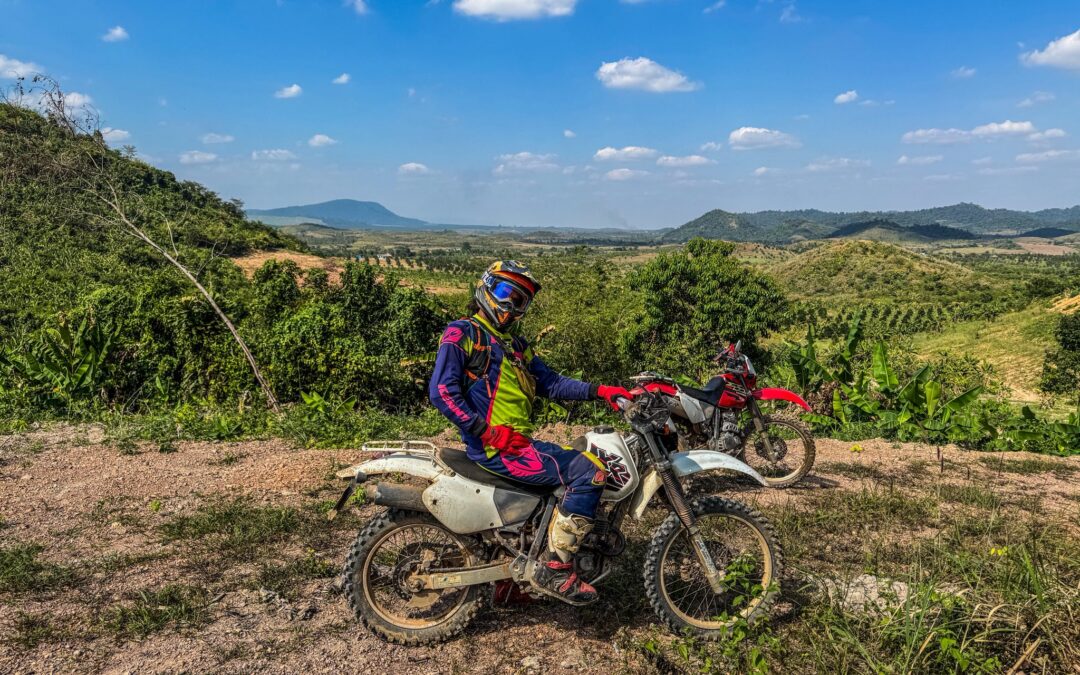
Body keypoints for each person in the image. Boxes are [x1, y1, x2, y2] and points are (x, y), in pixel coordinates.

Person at [428, 260, 632, 604]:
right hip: (498, 448)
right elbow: (442, 391)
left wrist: (602, 391)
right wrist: (486, 432)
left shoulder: (515, 345)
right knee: (590, 472)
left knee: (560, 482)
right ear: (487, 287)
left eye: (521, 300)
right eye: (506, 293)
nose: (511, 305)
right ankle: (555, 568)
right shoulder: (465, 333)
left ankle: (514, 579)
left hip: (517, 443)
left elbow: (551, 383)